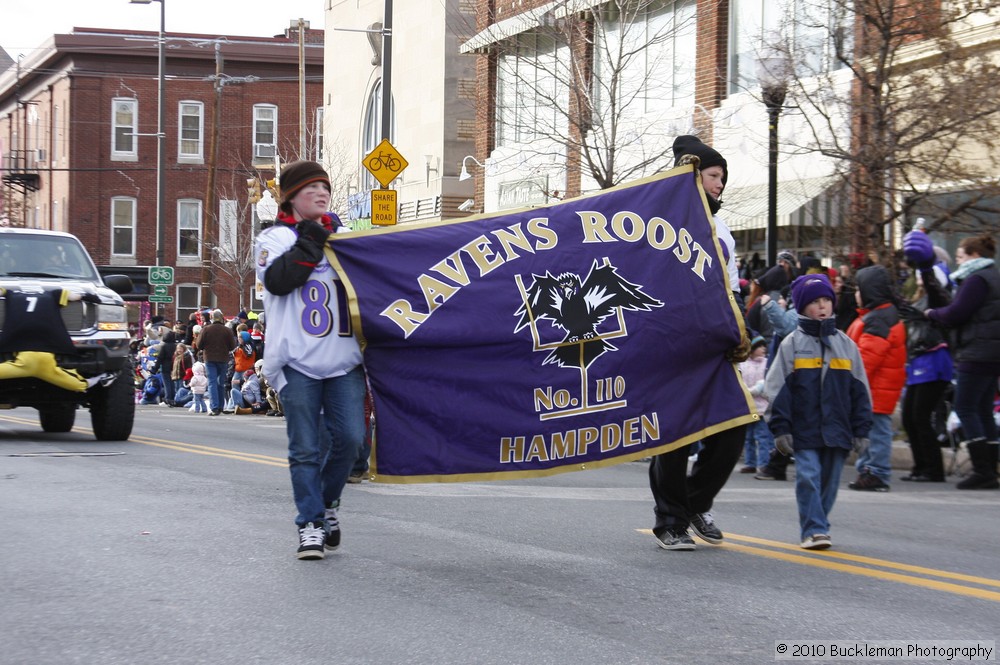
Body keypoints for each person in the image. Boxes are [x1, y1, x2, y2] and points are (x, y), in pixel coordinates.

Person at [255, 160, 366, 560]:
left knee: (351, 441)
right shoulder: (275, 238)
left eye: (326, 188)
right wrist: (313, 239)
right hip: (297, 361)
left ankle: (327, 505)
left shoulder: (348, 239)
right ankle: (310, 525)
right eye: (311, 189)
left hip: (344, 361)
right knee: (304, 448)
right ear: (291, 196)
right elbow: (279, 280)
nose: (321, 194)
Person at [649, 136, 750, 551]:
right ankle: (670, 521)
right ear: (692, 175)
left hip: (715, 343)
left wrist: (742, 330)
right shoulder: (662, 218)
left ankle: (695, 503)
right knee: (675, 436)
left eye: (723, 177)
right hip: (674, 342)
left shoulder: (722, 227)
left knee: (734, 428)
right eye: (713, 175)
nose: (720, 183)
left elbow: (732, 285)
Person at [765, 274, 873, 549]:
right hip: (805, 427)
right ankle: (814, 528)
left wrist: (862, 429)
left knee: (829, 481)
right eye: (814, 302)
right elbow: (776, 388)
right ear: (801, 308)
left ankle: (819, 523)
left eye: (826, 300)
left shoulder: (847, 345)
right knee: (808, 476)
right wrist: (780, 428)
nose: (822, 306)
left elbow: (860, 390)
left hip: (838, 427)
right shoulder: (791, 344)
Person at [923, 233, 1000, 490]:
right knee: (983, 409)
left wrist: (933, 313)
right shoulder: (995, 276)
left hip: (976, 351)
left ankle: (982, 470)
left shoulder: (976, 279)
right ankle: (991, 468)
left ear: (974, 256)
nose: (957, 261)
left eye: (960, 256)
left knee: (965, 407)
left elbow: (957, 313)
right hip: (992, 352)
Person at [898, 230, 953, 482]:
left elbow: (933, 286)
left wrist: (927, 265)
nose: (919, 278)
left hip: (935, 360)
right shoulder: (917, 299)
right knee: (909, 418)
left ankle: (934, 469)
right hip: (917, 361)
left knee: (921, 416)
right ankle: (921, 466)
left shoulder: (941, 298)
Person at [846, 265, 907, 493]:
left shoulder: (878, 319)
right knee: (871, 431)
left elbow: (867, 359)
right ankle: (868, 471)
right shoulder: (880, 315)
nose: (855, 294)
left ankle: (877, 472)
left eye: (858, 290)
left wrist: (850, 381)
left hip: (876, 388)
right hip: (877, 387)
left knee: (877, 432)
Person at [739, 335, 775, 473]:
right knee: (749, 436)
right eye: (759, 346)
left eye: (764, 346)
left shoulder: (767, 364)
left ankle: (763, 463)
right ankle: (750, 463)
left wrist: (753, 390)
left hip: (762, 409)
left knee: (762, 436)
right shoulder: (743, 364)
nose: (763, 348)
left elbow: (765, 383)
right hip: (750, 410)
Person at [196, 309, 236, 415]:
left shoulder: (206, 329)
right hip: (223, 359)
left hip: (209, 358)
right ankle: (221, 406)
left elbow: (199, 345)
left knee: (212, 382)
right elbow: (232, 346)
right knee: (220, 383)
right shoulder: (227, 330)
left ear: (212, 319)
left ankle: (214, 407)